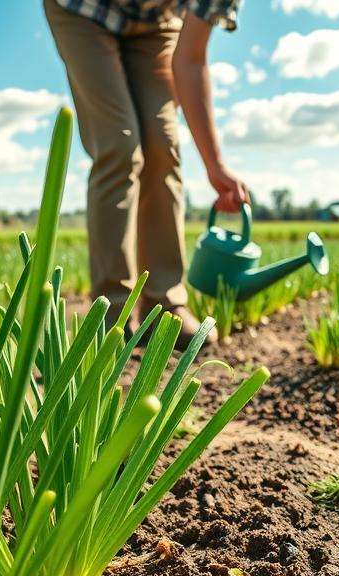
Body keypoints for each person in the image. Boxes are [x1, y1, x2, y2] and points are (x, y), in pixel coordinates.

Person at [43, 0, 248, 348]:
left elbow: (191, 60)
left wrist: (215, 165)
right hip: (83, 10)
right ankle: (110, 312)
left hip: (156, 24)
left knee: (162, 144)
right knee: (119, 144)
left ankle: (163, 306)